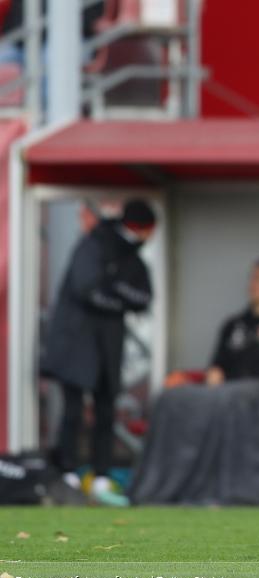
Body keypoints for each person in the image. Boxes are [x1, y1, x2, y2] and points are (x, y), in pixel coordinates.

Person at [42, 199, 155, 504]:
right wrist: (117, 296)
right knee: (73, 410)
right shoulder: (93, 244)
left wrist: (113, 292)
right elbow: (86, 289)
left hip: (108, 345)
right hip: (77, 342)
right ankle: (66, 473)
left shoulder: (134, 259)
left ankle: (101, 476)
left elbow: (143, 298)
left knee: (106, 410)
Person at [206, 258, 259, 386]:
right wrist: (214, 376)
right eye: (252, 278)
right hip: (229, 396)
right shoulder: (232, 325)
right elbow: (217, 366)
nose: (254, 284)